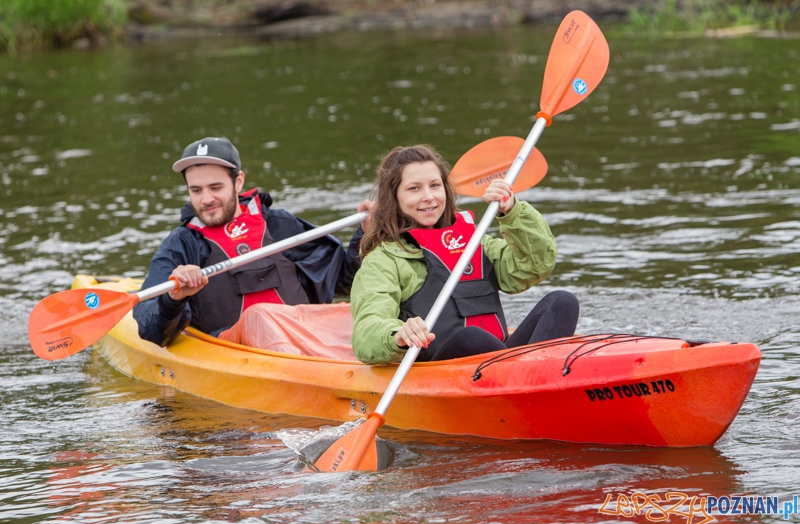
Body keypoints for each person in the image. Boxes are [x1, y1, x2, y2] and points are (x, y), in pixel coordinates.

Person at [350, 145, 579, 364]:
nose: (429, 196)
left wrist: (512, 212)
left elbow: (533, 266)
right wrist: (396, 334)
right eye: (414, 188)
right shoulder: (384, 259)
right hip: (437, 369)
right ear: (394, 198)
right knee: (471, 337)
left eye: (435, 185)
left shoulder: (472, 242)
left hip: (497, 364)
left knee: (562, 302)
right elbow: (367, 329)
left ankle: (531, 380)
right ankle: (523, 379)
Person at [133, 136, 370, 347]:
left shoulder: (279, 225)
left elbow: (346, 281)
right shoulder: (183, 244)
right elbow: (151, 331)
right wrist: (174, 298)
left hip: (307, 334)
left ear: (238, 182)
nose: (206, 199)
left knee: (362, 311)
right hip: (237, 348)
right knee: (258, 316)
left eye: (216, 187)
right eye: (196, 190)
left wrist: (367, 233)